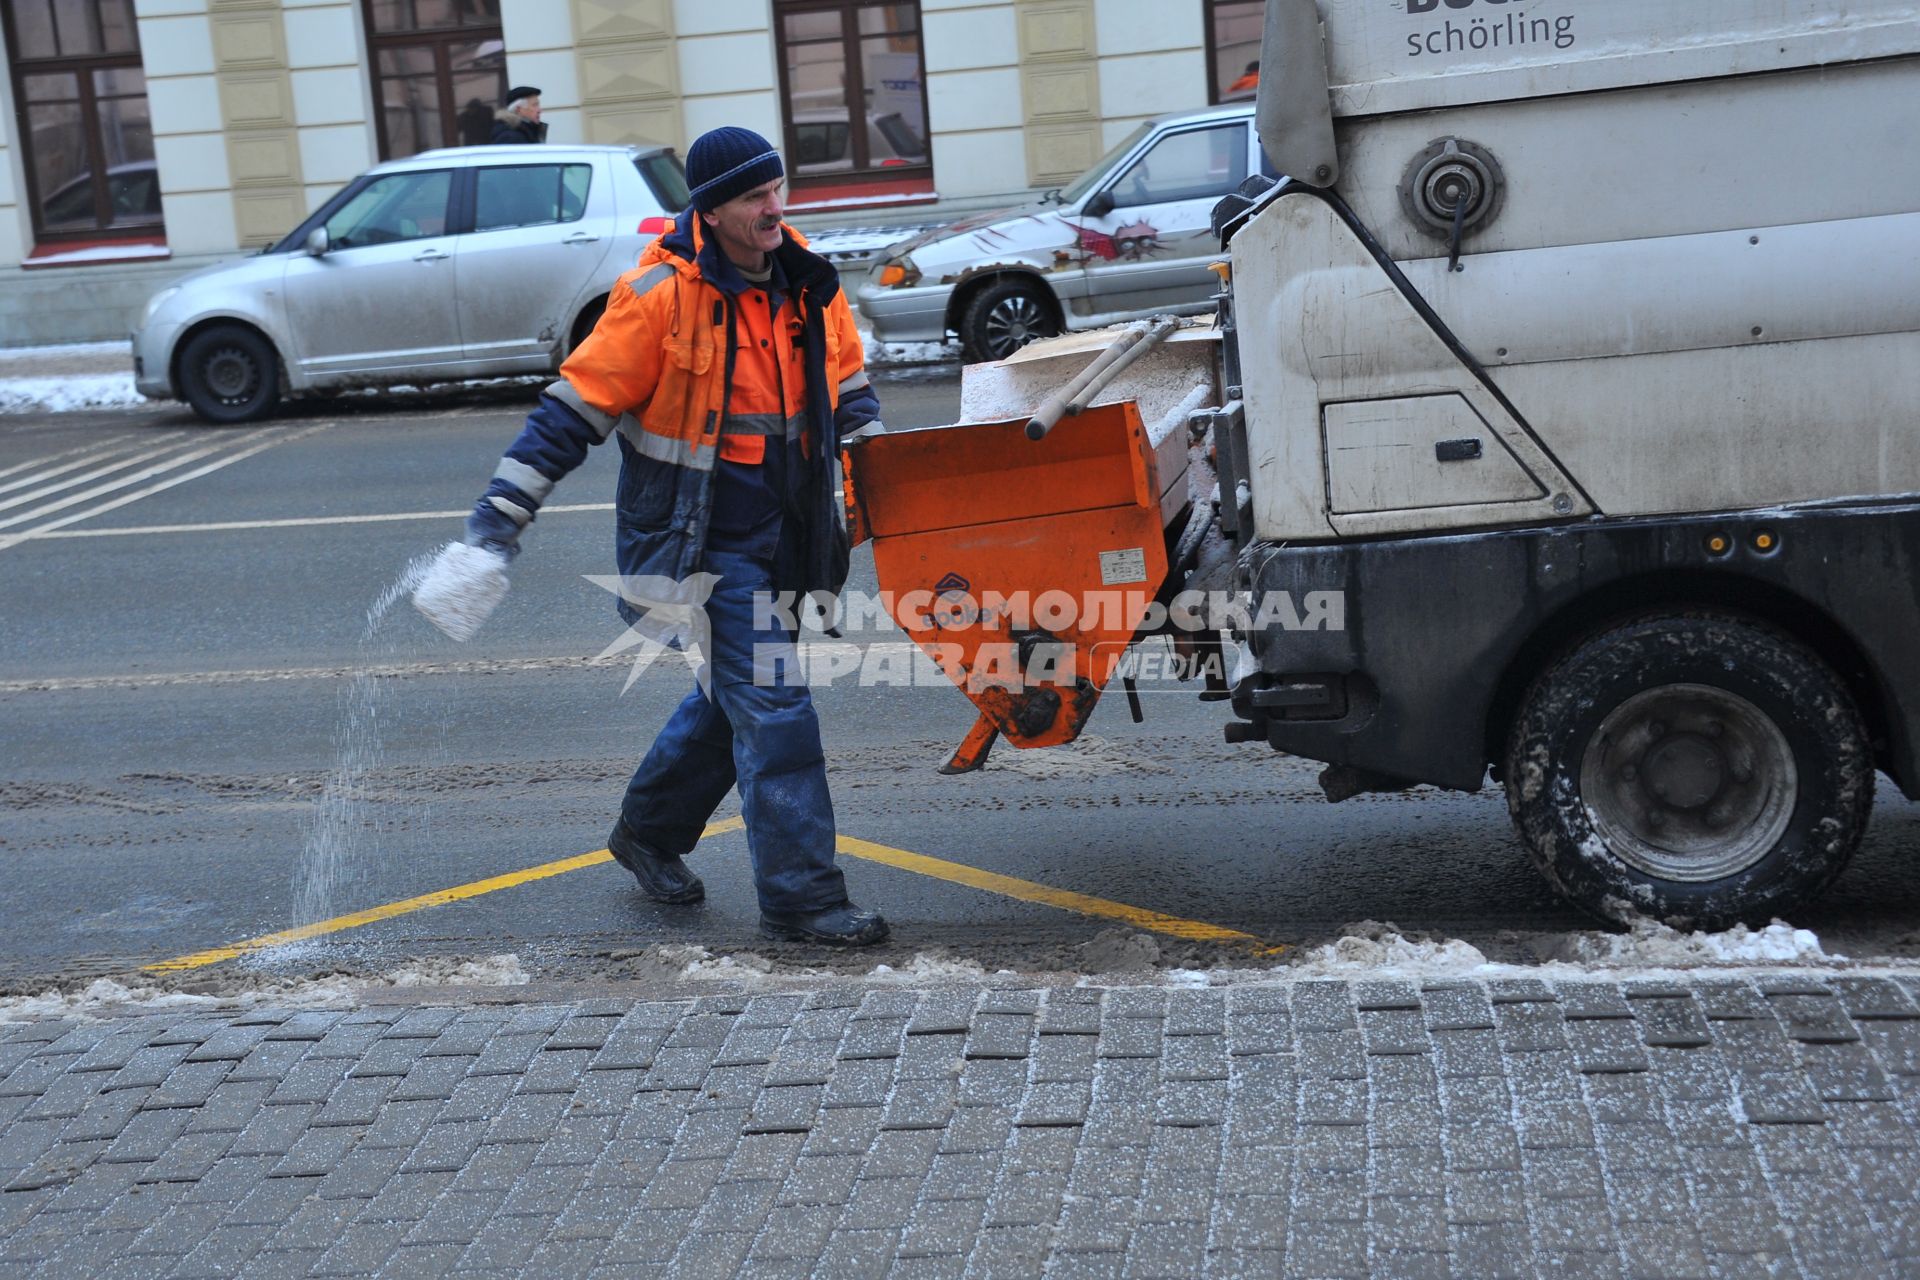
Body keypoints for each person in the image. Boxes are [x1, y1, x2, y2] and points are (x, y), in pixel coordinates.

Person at [456, 127, 889, 946]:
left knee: (732, 705)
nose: (775, 207)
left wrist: (874, 453)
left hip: (792, 538)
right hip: (702, 549)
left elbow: (849, 384)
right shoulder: (658, 297)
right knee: (775, 709)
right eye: (755, 197)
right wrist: (497, 521)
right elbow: (569, 415)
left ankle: (648, 834)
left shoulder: (808, 278)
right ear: (713, 209)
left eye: (777, 189)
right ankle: (802, 901)